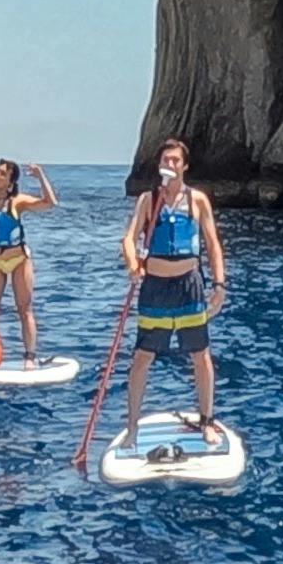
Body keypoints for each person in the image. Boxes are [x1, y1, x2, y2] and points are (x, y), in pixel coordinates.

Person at [115, 135, 228, 450]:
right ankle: (133, 427)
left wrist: (219, 285)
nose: (170, 165)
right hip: (155, 288)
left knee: (200, 355)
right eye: (166, 160)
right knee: (143, 357)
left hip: (189, 287)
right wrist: (132, 265)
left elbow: (212, 244)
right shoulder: (148, 200)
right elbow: (129, 238)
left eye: (175, 160)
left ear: (185, 166)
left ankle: (206, 421)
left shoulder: (198, 201)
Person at [0, 118, 59, 358]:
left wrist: (40, 176)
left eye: (2, 173)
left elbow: (50, 203)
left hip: (19, 260)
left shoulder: (17, 202)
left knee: (24, 309)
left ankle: (30, 356)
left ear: (10, 181)